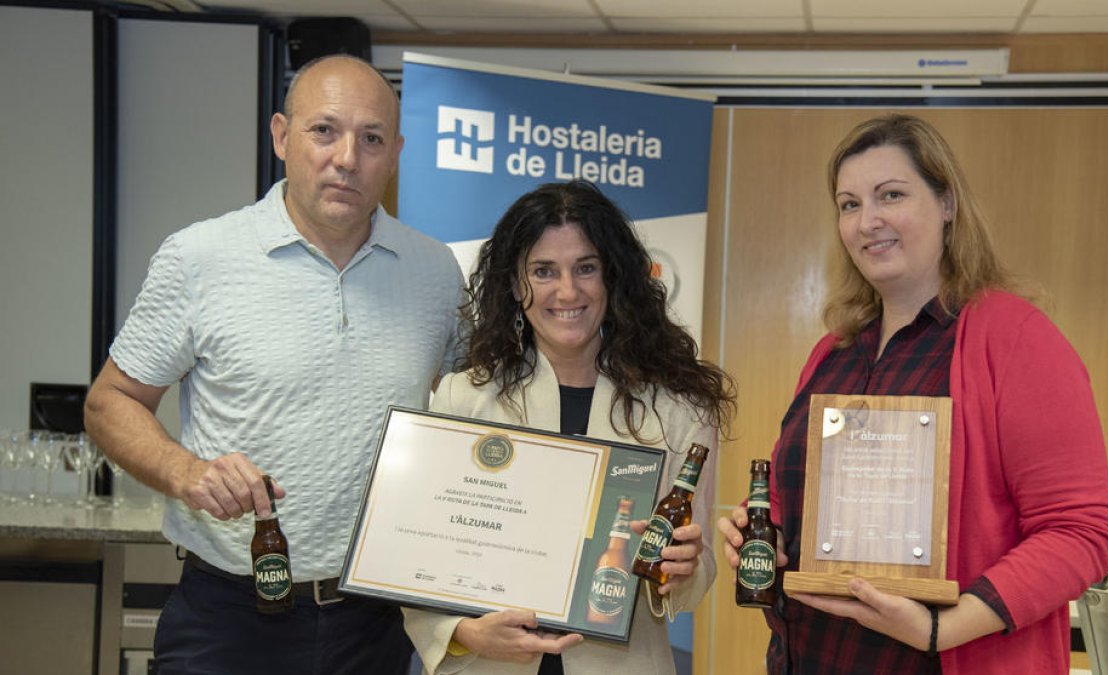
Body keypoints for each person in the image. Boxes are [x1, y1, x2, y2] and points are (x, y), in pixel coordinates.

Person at [83, 55, 463, 674]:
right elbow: (109, 403)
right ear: (282, 136)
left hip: (379, 622)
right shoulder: (199, 257)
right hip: (228, 614)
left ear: (394, 154)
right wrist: (188, 473)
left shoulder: (435, 271)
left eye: (370, 139)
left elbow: (474, 413)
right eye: (324, 131)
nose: (347, 158)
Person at [717, 114, 1108, 675]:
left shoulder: (1015, 339)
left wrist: (941, 629)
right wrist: (764, 528)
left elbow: (1082, 532)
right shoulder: (832, 352)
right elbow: (805, 499)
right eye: (849, 204)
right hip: (806, 655)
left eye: (892, 195)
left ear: (947, 203)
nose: (868, 221)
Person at [403, 180, 736, 674]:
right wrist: (463, 633)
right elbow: (422, 549)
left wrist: (680, 569)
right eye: (543, 271)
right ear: (517, 286)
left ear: (613, 278)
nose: (567, 291)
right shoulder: (463, 398)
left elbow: (697, 570)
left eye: (586, 268)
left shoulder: (679, 408)